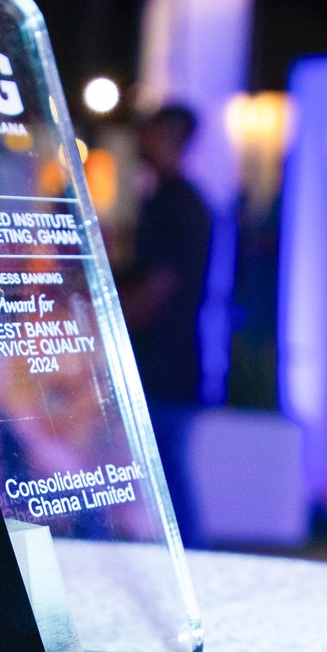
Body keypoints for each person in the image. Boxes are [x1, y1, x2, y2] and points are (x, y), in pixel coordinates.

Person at [117, 103, 212, 546]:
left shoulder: (173, 206)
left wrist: (108, 335)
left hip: (160, 362)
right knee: (166, 469)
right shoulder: (185, 203)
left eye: (149, 132)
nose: (141, 141)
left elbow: (157, 288)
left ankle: (188, 557)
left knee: (165, 471)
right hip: (175, 360)